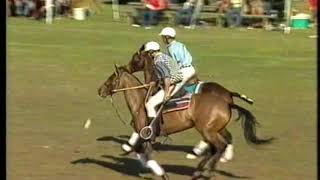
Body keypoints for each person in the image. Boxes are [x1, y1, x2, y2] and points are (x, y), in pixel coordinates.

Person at [144, 41, 183, 122]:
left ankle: (153, 127)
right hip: (177, 81)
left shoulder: (158, 61)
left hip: (172, 84)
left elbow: (166, 77)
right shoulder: (164, 56)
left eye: (148, 53)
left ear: (151, 52)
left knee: (149, 104)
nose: (148, 55)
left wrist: (166, 93)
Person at [158, 27, 196, 98]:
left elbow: (175, 64)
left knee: (168, 84)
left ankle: (168, 98)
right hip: (191, 68)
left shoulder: (171, 48)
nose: (162, 39)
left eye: (163, 37)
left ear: (167, 37)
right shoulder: (179, 44)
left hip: (184, 71)